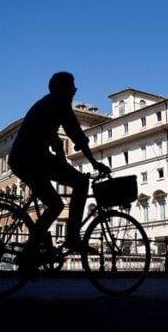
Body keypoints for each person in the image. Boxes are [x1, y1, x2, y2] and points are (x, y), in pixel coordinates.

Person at [8, 71, 110, 262]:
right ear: (63, 88)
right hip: (32, 158)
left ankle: (32, 252)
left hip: (25, 158)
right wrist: (95, 163)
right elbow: (76, 135)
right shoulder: (59, 103)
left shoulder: (48, 103)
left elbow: (57, 140)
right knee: (79, 184)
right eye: (72, 87)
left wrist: (66, 160)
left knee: (55, 203)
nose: (74, 91)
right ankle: (71, 238)